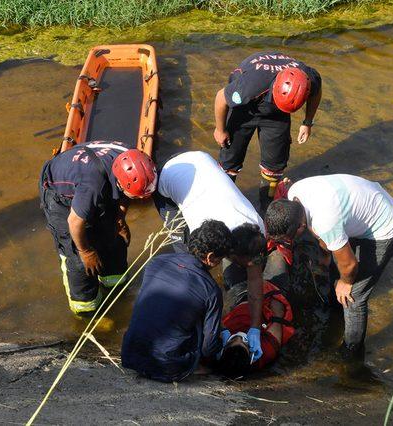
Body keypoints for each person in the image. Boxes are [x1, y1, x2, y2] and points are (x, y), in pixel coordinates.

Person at [264, 175, 393, 368]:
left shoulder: (325, 221)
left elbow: (350, 265)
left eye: (289, 238)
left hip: (386, 225)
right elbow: (322, 233)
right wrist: (325, 254)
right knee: (333, 265)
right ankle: (334, 308)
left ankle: (351, 354)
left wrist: (346, 283)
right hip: (366, 204)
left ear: (301, 227)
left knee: (354, 297)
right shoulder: (296, 193)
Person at [153, 150, 267, 361]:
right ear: (228, 251)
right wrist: (219, 329)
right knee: (188, 263)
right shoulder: (206, 241)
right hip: (170, 179)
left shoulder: (257, 228)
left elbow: (255, 280)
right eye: (247, 262)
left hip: (203, 161)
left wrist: (255, 328)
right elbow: (201, 289)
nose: (252, 265)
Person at [39, 141, 156, 315]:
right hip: (62, 195)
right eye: (136, 196)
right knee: (79, 261)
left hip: (96, 175)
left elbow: (126, 196)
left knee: (114, 240)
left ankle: (115, 289)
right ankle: (87, 312)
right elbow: (74, 221)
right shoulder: (93, 185)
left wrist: (119, 219)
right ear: (121, 184)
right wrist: (86, 251)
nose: (139, 200)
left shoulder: (132, 158)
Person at [121, 220, 233, 383]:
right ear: (210, 257)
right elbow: (208, 348)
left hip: (130, 355)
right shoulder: (211, 289)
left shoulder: (156, 262)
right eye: (220, 258)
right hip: (167, 367)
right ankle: (193, 367)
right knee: (200, 320)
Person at [213, 52, 323, 210]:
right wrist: (220, 129)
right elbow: (220, 98)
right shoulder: (249, 87)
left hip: (277, 116)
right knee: (230, 159)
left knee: (275, 162)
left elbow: (317, 91)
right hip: (245, 109)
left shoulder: (308, 78)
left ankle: (267, 207)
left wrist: (307, 122)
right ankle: (222, 202)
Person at [218, 280, 295, 377]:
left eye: (233, 339)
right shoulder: (267, 350)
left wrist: (221, 327)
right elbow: (278, 312)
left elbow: (211, 312)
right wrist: (269, 291)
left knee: (229, 274)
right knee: (276, 267)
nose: (240, 336)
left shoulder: (213, 346)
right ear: (252, 354)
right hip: (262, 298)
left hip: (235, 297)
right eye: (245, 341)